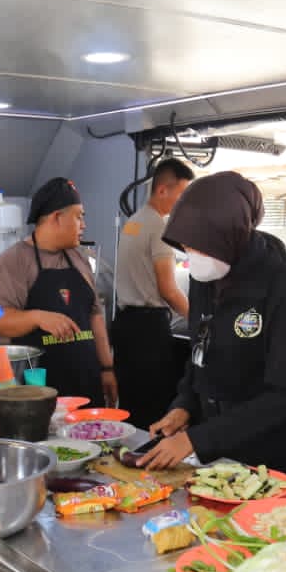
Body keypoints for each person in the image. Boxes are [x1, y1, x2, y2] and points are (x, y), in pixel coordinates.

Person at [140, 171, 286, 482]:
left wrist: (197, 440)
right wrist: (184, 405)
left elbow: (285, 396)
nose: (194, 257)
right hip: (219, 455)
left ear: (231, 237)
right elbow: (199, 354)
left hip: (272, 459)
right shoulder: (205, 279)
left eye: (201, 248)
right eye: (187, 247)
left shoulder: (284, 288)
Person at [0, 178, 118, 405]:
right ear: (57, 217)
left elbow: (95, 315)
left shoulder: (79, 258)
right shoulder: (14, 261)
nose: (84, 225)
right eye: (78, 217)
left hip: (86, 385)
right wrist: (37, 317)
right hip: (36, 395)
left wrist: (106, 368)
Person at [113, 158, 195, 428]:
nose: (183, 204)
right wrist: (199, 321)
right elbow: (168, 290)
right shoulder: (159, 227)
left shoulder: (133, 222)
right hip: (149, 330)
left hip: (125, 326)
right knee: (154, 407)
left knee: (131, 405)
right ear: (162, 190)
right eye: (181, 195)